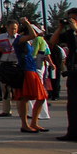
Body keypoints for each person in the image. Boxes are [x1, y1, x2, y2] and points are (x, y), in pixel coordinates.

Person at [13, 18, 49, 133]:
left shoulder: (27, 41)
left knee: (41, 97)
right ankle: (25, 124)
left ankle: (33, 122)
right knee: (25, 97)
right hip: (26, 70)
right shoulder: (19, 39)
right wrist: (28, 24)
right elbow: (33, 35)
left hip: (32, 68)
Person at [48, 8, 77, 142]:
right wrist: (60, 28)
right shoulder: (70, 33)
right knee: (72, 103)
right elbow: (52, 42)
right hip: (73, 70)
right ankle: (72, 132)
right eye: (70, 18)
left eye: (74, 18)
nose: (71, 21)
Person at [0, 20, 20, 116]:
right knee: (5, 88)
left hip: (16, 63)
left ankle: (20, 109)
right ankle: (6, 110)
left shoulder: (20, 38)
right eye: (11, 28)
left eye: (15, 28)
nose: (13, 30)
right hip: (4, 63)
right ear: (7, 28)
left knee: (16, 88)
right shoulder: (0, 37)